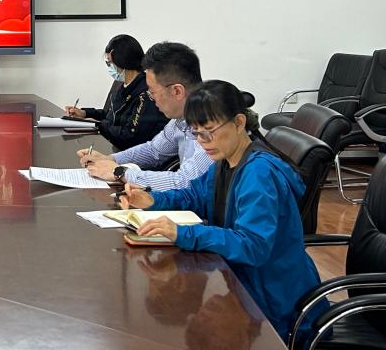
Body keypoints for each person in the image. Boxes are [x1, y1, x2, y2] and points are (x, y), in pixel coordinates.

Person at [116, 80, 325, 342]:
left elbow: (253, 245)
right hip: (248, 286)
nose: (203, 143)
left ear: (239, 122)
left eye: (209, 132)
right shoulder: (227, 161)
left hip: (277, 304)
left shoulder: (259, 174)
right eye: (197, 134)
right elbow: (195, 196)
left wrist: (184, 234)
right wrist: (152, 200)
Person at [79, 41, 213, 190]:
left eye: (152, 91)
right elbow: (153, 151)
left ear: (177, 91)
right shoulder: (180, 119)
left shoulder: (212, 123)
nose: (151, 98)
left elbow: (184, 182)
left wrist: (120, 172)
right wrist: (111, 159)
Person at [63, 34, 167, 150]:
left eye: (109, 63)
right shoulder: (124, 85)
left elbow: (130, 136)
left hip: (135, 153)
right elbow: (112, 115)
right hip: (116, 147)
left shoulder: (146, 93)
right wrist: (85, 113)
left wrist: (98, 125)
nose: (110, 67)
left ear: (122, 62)